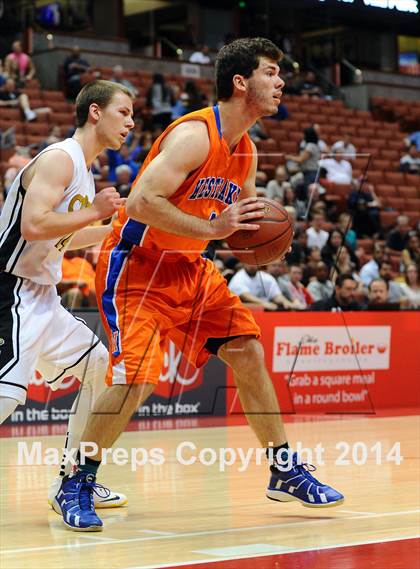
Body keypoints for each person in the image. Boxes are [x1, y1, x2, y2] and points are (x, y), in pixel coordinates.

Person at [54, 37, 344, 533]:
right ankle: (77, 480)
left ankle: (282, 468)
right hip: (139, 267)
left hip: (192, 270)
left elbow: (244, 225)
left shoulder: (246, 150)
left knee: (248, 351)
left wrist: (267, 240)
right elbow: (142, 202)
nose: (280, 82)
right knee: (137, 380)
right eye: (271, 73)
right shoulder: (194, 135)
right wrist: (215, 228)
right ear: (240, 82)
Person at [0, 80, 135, 512]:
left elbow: (63, 237)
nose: (131, 123)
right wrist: (96, 211)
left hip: (41, 295)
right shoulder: (61, 159)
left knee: (101, 366)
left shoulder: (83, 168)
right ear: (95, 112)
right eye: (124, 113)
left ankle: (73, 480)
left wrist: (117, 230)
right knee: (5, 397)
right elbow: (34, 226)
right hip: (11, 289)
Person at [228, 263, 295, 310]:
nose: (252, 266)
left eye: (255, 263)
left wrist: (285, 301)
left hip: (265, 312)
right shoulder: (239, 277)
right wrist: (263, 303)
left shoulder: (266, 277)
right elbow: (245, 296)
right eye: (249, 263)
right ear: (244, 263)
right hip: (242, 312)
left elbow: (276, 295)